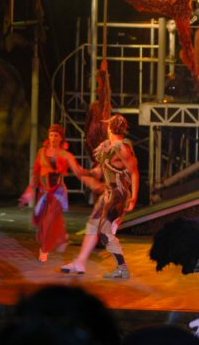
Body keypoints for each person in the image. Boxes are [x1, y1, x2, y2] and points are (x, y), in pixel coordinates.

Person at [61, 114, 140, 279]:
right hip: (108, 194)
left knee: (105, 233)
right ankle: (80, 262)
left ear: (110, 128)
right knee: (92, 225)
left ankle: (123, 268)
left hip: (118, 195)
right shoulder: (108, 147)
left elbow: (134, 173)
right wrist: (85, 172)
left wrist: (133, 199)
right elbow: (100, 170)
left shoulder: (121, 148)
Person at [19, 124, 88, 263]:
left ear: (61, 138)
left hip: (57, 192)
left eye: (56, 135)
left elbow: (78, 170)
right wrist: (30, 189)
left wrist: (94, 173)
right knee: (43, 223)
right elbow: (36, 173)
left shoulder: (65, 154)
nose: (53, 138)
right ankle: (59, 238)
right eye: (51, 135)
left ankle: (45, 249)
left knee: (49, 220)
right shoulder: (41, 152)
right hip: (43, 192)